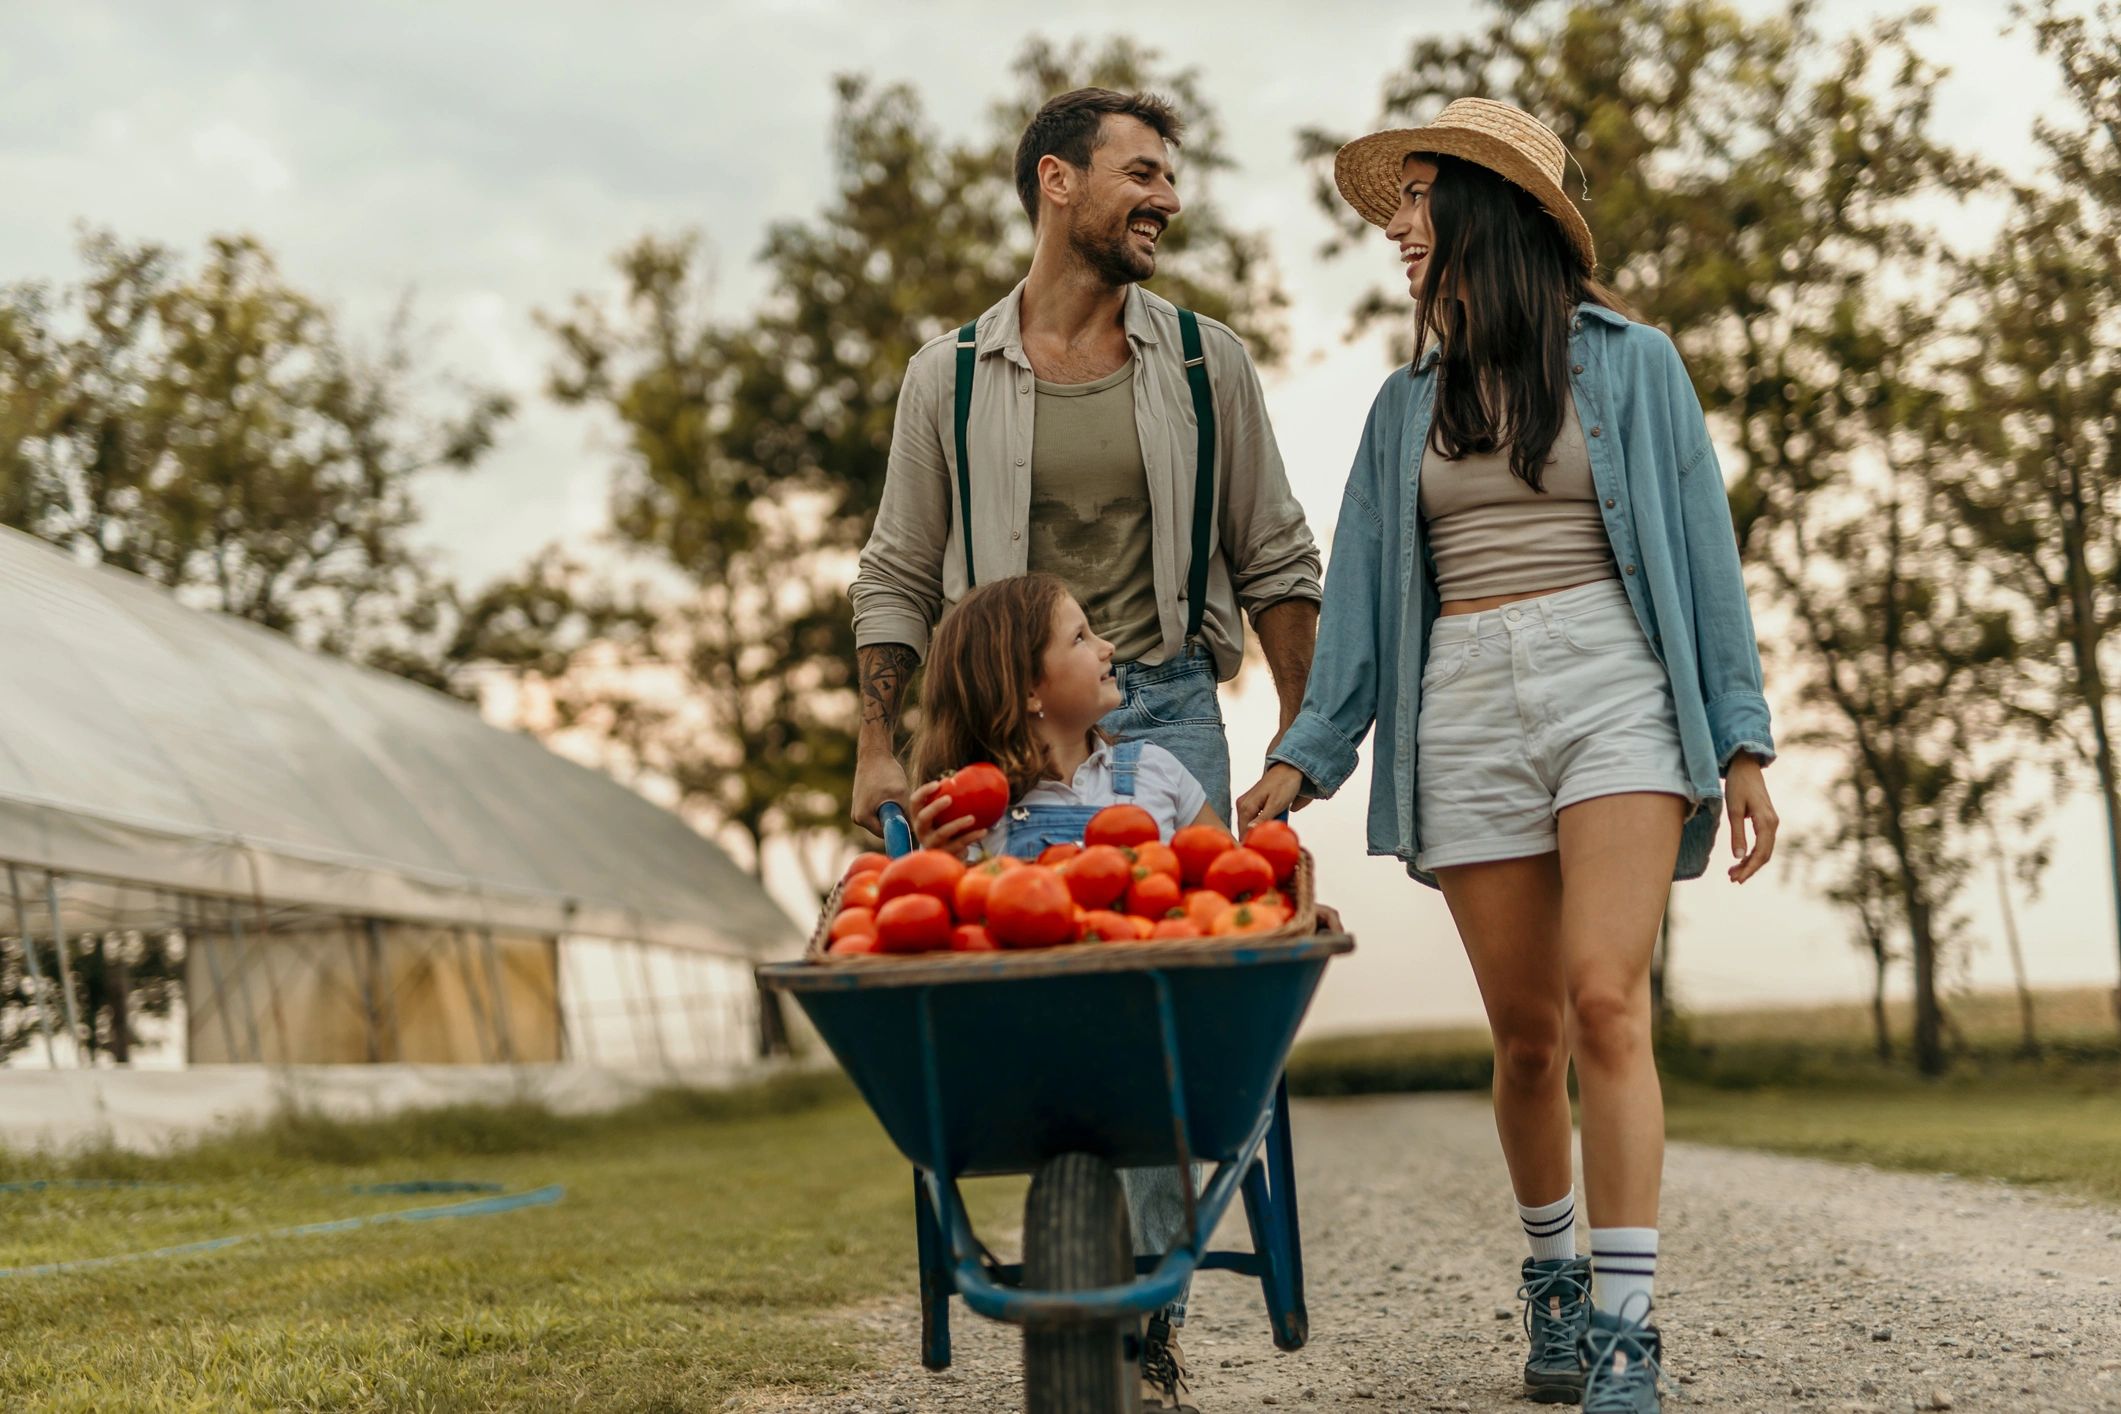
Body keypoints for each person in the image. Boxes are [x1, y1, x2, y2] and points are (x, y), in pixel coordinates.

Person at [1237, 99, 1780, 1413]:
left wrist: (1740, 737)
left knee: (1605, 995)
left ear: (1491, 208)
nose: (1397, 228)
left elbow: (1702, 558)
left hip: (1614, 689)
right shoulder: (1397, 409)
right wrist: (1302, 758)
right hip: (1465, 707)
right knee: (1527, 1034)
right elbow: (1364, 606)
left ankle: (1622, 1326)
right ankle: (1548, 1273)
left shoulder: (1636, 364)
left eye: (1417, 199)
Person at [850, 85, 1325, 1414]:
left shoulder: (1198, 363)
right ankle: (1095, 1261)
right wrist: (878, 750)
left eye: (1169, 177)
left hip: (1164, 703)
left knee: (1154, 993)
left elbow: (1274, 551)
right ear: (1056, 183)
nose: (1165, 198)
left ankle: (1139, 1311)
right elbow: (895, 571)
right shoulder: (948, 377)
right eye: (1140, 173)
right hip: (999, 727)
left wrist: (1296, 729)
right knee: (1026, 976)